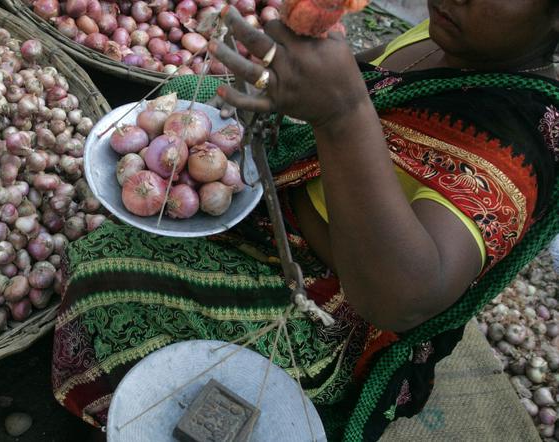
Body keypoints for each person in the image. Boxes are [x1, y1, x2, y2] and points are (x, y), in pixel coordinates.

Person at [52, 1, 559, 440]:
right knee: (192, 91)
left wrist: (341, 112)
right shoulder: (453, 36)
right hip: (296, 200)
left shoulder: (515, 141)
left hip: (333, 303)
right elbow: (374, 79)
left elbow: (400, 301)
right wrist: (293, 75)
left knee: (104, 275)